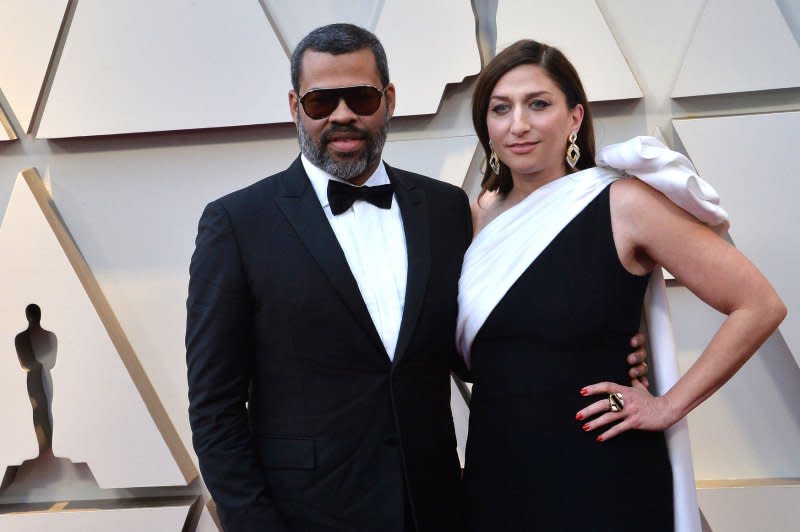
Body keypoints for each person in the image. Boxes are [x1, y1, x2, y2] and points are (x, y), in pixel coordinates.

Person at [186, 25, 647, 532]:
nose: (343, 115)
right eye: (322, 102)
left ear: (388, 100)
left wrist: (599, 345)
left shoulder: (446, 209)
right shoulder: (237, 223)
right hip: (307, 516)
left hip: (439, 507)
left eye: (360, 97)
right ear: (295, 106)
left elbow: (481, 341)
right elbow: (215, 408)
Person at [457, 39, 786, 531]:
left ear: (574, 118)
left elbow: (759, 304)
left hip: (602, 480)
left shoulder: (623, 203)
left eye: (538, 104)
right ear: (487, 124)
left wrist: (667, 405)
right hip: (496, 477)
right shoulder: (478, 215)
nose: (518, 124)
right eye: (501, 108)